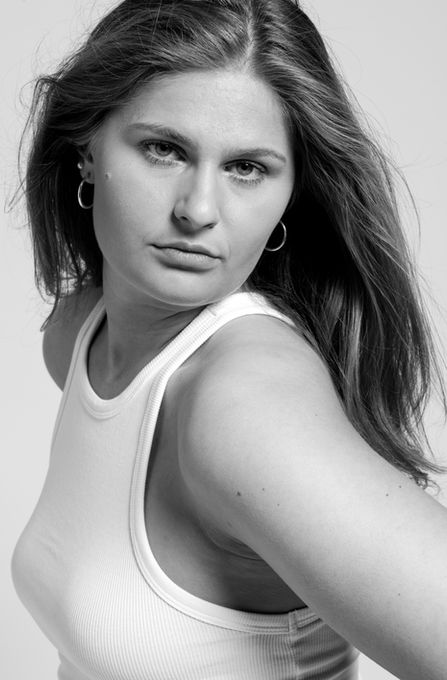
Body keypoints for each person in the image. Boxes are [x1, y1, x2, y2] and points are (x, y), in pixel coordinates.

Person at [11, 0, 447, 678]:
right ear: (86, 151)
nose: (198, 210)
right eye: (164, 149)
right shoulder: (78, 335)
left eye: (246, 167)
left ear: (291, 193)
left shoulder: (244, 406)